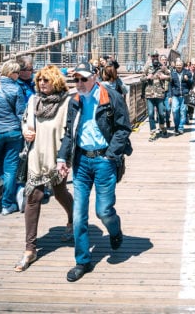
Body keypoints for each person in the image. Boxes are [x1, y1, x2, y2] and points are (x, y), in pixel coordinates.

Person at [56, 61, 132, 282]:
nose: (79, 83)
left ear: (95, 77)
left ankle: (115, 230)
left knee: (103, 211)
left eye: (83, 79)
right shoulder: (74, 101)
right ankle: (82, 261)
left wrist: (111, 155)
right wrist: (63, 157)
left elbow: (123, 127)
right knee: (79, 216)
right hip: (81, 161)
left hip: (103, 161)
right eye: (76, 79)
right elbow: (69, 132)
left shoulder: (111, 97)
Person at [15, 65, 74, 272]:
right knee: (33, 197)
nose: (41, 83)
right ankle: (30, 249)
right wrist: (25, 132)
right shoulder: (33, 101)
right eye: (39, 80)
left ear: (55, 81)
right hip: (35, 155)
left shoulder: (67, 102)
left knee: (59, 193)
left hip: (57, 156)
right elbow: (25, 121)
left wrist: (65, 158)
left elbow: (71, 130)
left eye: (46, 80)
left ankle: (72, 220)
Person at [0, 60, 27, 215]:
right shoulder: (17, 88)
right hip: (14, 133)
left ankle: (11, 197)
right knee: (10, 168)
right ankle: (10, 200)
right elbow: (21, 113)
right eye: (18, 73)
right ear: (13, 74)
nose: (19, 76)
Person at [143, 51, 170, 141]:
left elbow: (171, 77)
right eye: (153, 56)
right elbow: (141, 78)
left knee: (161, 113)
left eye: (156, 56)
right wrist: (147, 77)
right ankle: (153, 133)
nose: (154, 57)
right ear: (151, 57)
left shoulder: (162, 67)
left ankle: (162, 128)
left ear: (158, 57)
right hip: (149, 94)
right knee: (150, 114)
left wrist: (164, 77)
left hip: (159, 94)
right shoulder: (147, 67)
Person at [168, 58, 194, 135]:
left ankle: (180, 127)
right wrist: (170, 96)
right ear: (175, 65)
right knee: (175, 111)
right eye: (177, 65)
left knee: (183, 112)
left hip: (185, 95)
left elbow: (191, 83)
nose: (178, 66)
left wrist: (188, 80)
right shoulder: (172, 74)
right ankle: (176, 126)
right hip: (175, 95)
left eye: (180, 65)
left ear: (182, 65)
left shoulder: (187, 72)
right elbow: (170, 85)